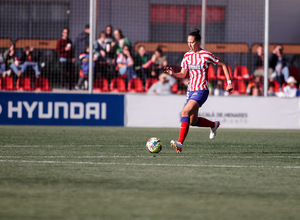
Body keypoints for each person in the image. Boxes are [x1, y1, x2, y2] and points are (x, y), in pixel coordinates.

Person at [164, 28, 233, 153]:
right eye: (188, 42)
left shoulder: (206, 55)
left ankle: (180, 143)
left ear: (198, 42)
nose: (189, 45)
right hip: (190, 91)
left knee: (184, 112)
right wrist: (173, 73)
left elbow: (223, 65)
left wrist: (229, 83)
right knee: (192, 121)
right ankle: (214, 125)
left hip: (201, 90)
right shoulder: (187, 56)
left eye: (192, 42)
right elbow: (183, 74)